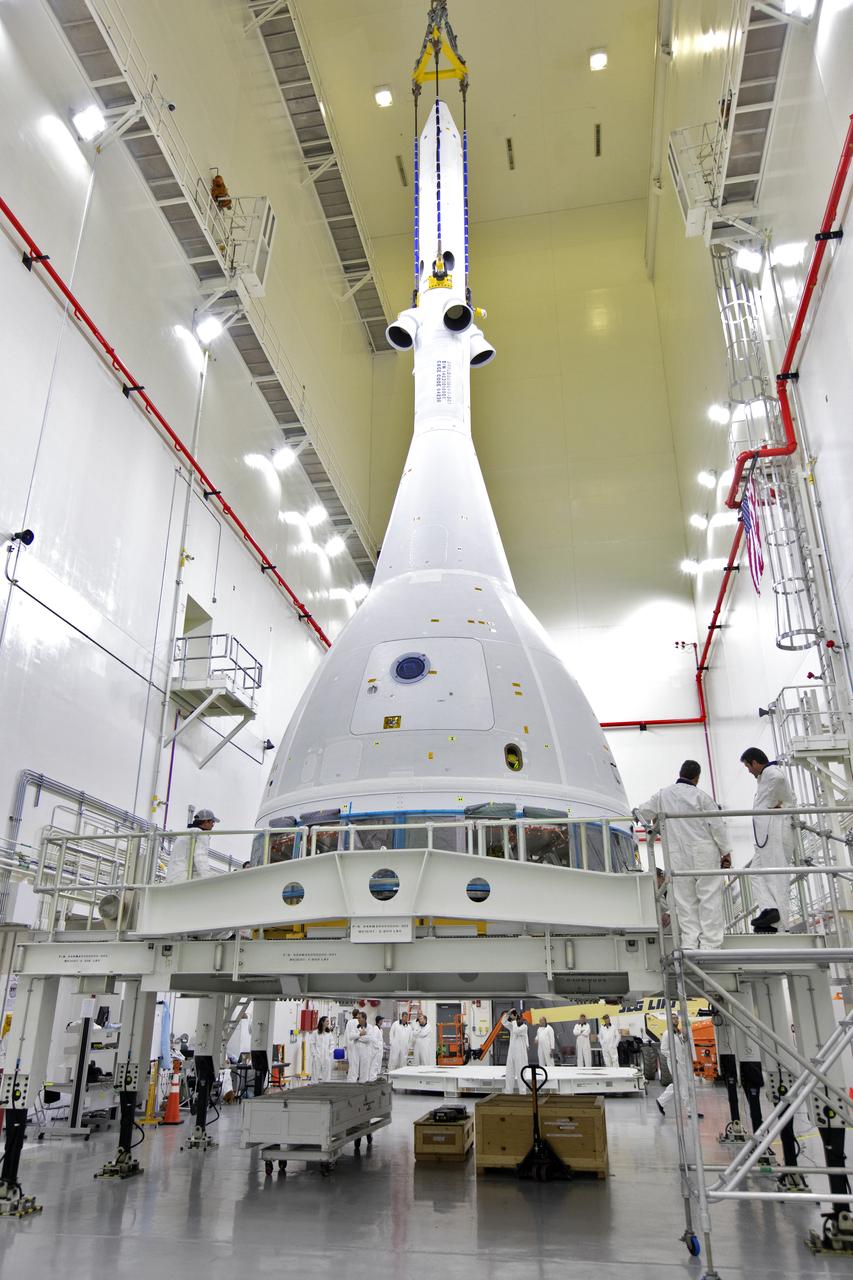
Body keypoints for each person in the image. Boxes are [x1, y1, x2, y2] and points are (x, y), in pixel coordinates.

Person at [635, 761, 732, 950]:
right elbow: (717, 826)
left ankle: (689, 942)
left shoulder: (663, 795)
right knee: (709, 897)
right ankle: (710, 944)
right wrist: (725, 852)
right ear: (697, 777)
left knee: (684, 900)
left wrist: (637, 815)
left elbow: (642, 812)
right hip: (704, 852)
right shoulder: (702, 797)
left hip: (677, 853)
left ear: (680, 773)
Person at [741, 747, 796, 932]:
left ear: (755, 763)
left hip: (776, 832)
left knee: (776, 877)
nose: (748, 771)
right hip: (766, 836)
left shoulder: (772, 773)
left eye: (748, 766)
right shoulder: (763, 777)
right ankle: (770, 910)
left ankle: (782, 926)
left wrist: (773, 803)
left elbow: (779, 781)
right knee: (755, 872)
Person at [657, 1015, 702, 1119]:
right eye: (673, 1018)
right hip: (675, 1063)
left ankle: (661, 1101)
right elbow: (663, 1050)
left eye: (676, 1018)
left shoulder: (679, 1033)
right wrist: (674, 1057)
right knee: (683, 1085)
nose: (676, 1019)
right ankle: (691, 1111)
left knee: (678, 1085)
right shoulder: (667, 1034)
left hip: (683, 1063)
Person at [164, 809, 219, 883]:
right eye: (212, 822)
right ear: (206, 822)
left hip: (172, 876)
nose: (213, 825)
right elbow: (200, 857)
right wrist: (209, 877)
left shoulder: (186, 833)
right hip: (183, 877)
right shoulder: (201, 834)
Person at [503, 1009, 530, 1094]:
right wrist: (508, 1014)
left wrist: (514, 1021)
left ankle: (523, 1094)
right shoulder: (513, 1025)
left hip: (520, 1054)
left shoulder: (524, 1027)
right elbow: (503, 1022)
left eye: (521, 1018)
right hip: (511, 1053)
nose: (520, 1019)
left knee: (521, 1074)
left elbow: (516, 1031)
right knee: (509, 1073)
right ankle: (508, 1093)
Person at [311, 1015, 333, 1082]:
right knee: (315, 1074)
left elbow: (332, 1044)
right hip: (317, 1056)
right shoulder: (315, 1033)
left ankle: (325, 1088)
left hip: (326, 1057)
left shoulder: (329, 1033)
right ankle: (313, 1086)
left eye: (328, 1021)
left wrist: (329, 1052)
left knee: (326, 1075)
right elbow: (312, 1044)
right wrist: (314, 1054)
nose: (328, 1023)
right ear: (322, 1022)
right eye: (327, 1021)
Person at [345, 1007, 361, 1082]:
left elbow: (346, 1033)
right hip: (356, 1044)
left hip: (349, 1045)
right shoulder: (358, 1022)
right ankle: (354, 1077)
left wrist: (345, 1044)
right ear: (357, 1014)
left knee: (351, 1062)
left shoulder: (349, 1022)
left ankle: (350, 1077)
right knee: (356, 1062)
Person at [367, 1015, 385, 1081]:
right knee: (374, 1065)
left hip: (379, 1051)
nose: (383, 1021)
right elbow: (373, 1039)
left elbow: (379, 1040)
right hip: (376, 1051)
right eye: (382, 1020)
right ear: (379, 1021)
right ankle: (372, 1079)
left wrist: (382, 1044)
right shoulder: (375, 1028)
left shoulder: (380, 1029)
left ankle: (375, 1078)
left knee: (377, 1066)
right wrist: (378, 1047)